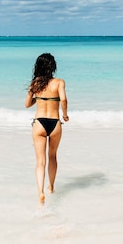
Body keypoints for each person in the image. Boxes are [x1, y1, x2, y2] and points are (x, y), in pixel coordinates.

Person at [25, 53, 69, 205]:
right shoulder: (59, 82)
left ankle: (40, 192)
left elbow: (27, 104)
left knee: (40, 162)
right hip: (55, 123)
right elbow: (63, 99)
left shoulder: (35, 84)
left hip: (39, 124)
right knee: (53, 156)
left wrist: (39, 99)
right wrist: (65, 114)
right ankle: (51, 187)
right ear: (53, 66)